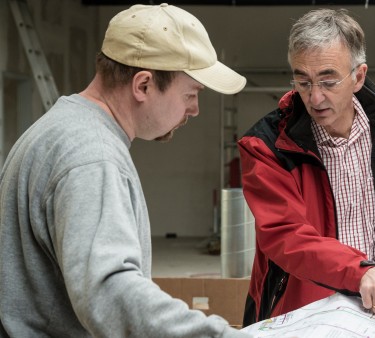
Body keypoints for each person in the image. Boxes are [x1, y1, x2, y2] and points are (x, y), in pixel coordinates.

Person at [0, 4, 251, 337]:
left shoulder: (59, 129)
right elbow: (109, 291)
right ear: (143, 85)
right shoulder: (92, 156)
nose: (194, 109)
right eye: (190, 94)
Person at [238, 8, 375, 328]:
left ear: (358, 76)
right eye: (303, 81)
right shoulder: (268, 146)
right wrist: (360, 271)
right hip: (303, 316)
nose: (315, 97)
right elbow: (287, 236)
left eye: (328, 80)